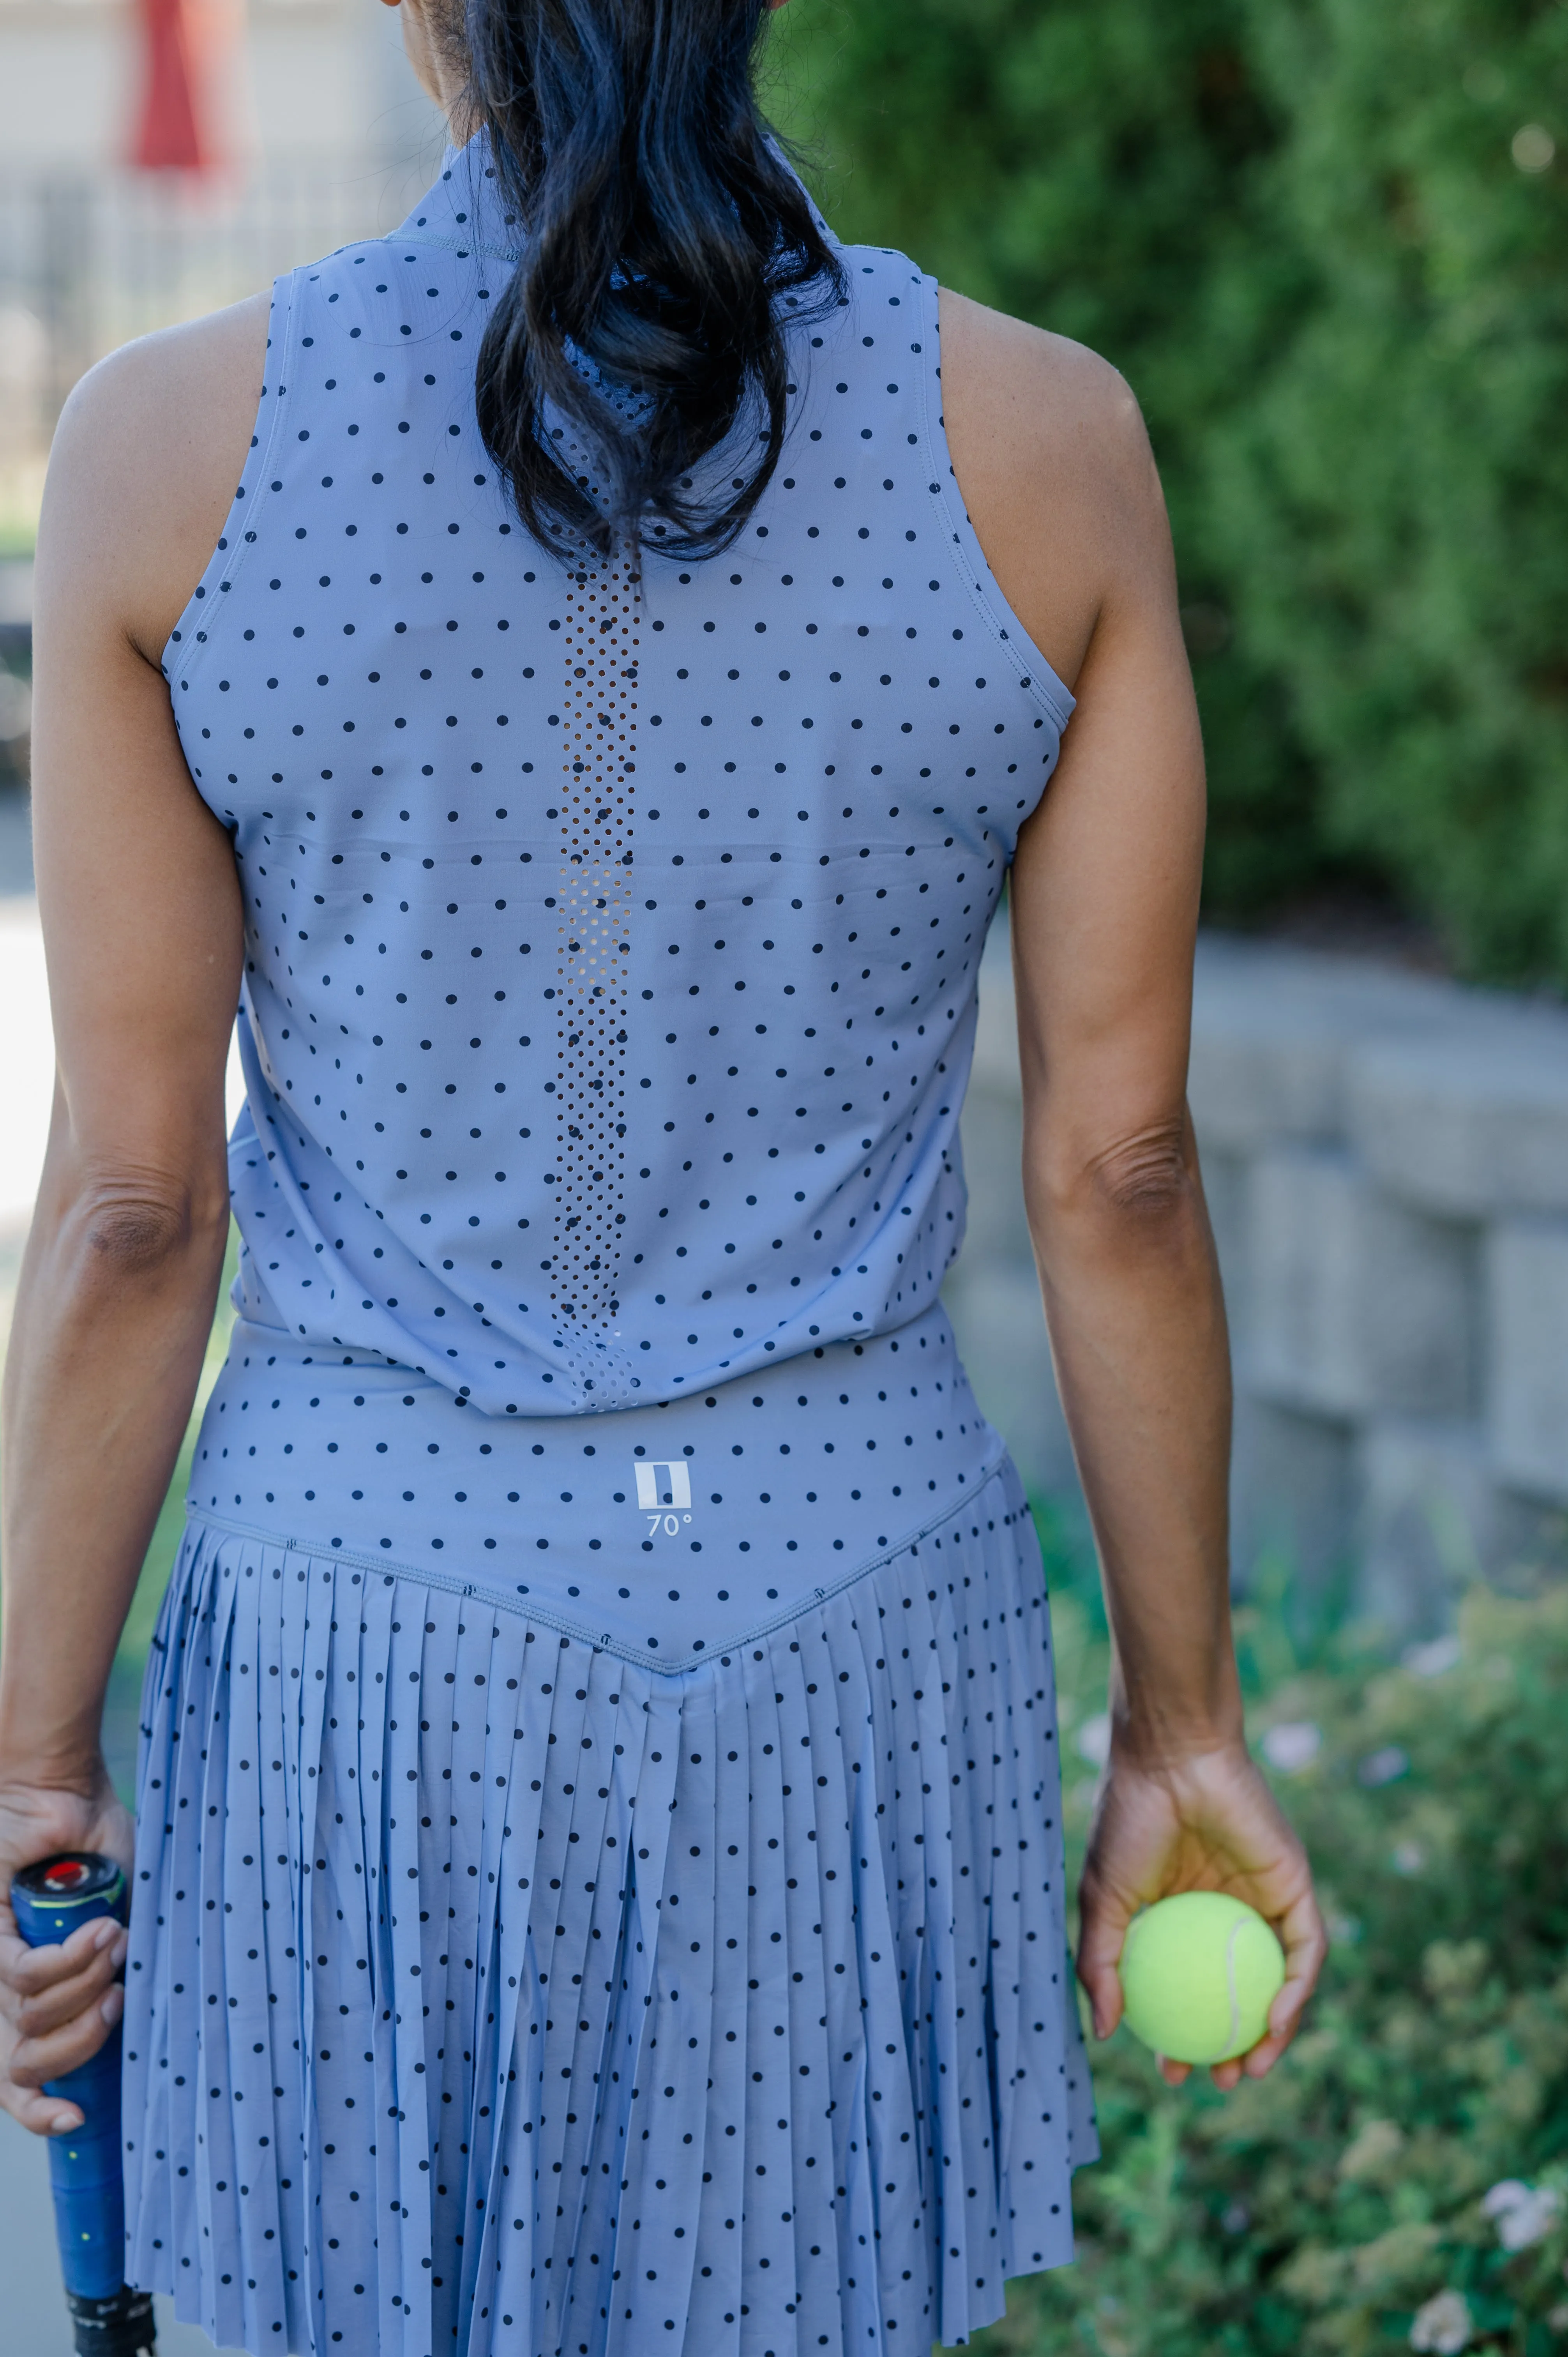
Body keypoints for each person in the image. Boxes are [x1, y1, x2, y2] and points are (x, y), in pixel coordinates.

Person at [0, 0, 1325, 2346]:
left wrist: (29, 1757)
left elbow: (133, 1206)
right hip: (852, 1618)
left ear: (426, 18)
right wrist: (1183, 1722)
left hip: (367, 1641)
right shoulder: (1043, 437)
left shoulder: (166, 449)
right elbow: (1116, 1167)